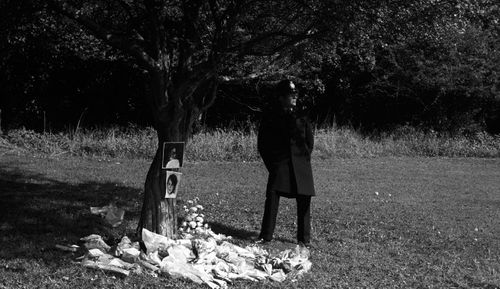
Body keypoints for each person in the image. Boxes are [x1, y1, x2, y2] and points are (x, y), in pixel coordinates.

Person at [256, 79, 315, 248]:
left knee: (304, 201)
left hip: (301, 165)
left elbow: (309, 142)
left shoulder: (302, 115)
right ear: (281, 97)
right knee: (272, 198)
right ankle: (266, 236)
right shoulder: (271, 116)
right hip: (279, 164)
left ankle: (304, 240)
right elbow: (263, 144)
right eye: (291, 94)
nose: (295, 96)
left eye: (296, 94)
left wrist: (302, 159)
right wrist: (273, 166)